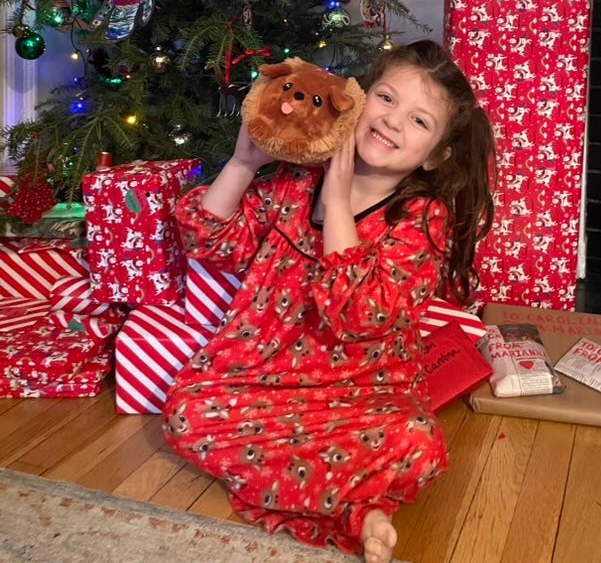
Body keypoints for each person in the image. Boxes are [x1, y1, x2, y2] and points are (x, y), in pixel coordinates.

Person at [162, 40, 496, 563]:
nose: (392, 122)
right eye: (386, 99)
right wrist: (243, 163)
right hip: (257, 382)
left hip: (359, 395)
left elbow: (360, 314)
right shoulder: (295, 182)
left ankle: (351, 506)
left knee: (417, 440)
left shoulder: (420, 220)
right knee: (186, 415)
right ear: (357, 100)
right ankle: (356, 505)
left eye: (419, 121)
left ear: (435, 155)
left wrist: (338, 203)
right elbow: (211, 240)